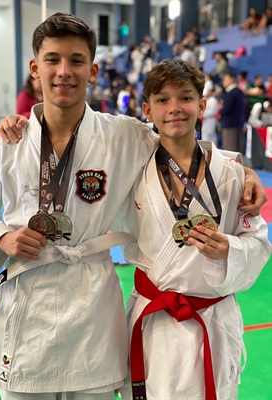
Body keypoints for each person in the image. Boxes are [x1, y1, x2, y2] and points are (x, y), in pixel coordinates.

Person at [0, 13, 268, 400]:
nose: (64, 71)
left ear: (94, 70)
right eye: (52, 59)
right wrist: (0, 236)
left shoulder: (122, 135)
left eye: (76, 60)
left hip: (91, 309)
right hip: (28, 299)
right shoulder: (7, 142)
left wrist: (242, 169)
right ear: (36, 67)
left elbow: (179, 143)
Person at [118, 59, 271, 400]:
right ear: (147, 109)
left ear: (202, 105)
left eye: (185, 98)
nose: (175, 108)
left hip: (213, 321)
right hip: (154, 321)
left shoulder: (232, 174)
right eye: (162, 100)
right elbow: (86, 134)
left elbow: (259, 242)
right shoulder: (132, 168)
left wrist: (230, 250)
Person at [218, 71, 246, 153]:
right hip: (239, 123)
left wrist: (220, 108)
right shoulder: (240, 92)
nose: (223, 82)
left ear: (231, 80)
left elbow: (226, 109)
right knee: (238, 149)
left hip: (229, 125)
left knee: (229, 151)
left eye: (225, 79)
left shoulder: (230, 93)